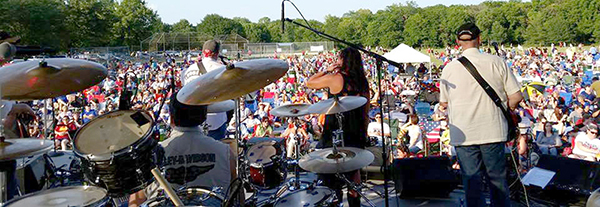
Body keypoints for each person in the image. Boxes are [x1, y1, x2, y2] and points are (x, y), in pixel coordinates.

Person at [439, 23, 522, 207]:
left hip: (464, 133)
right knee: (497, 181)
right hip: (493, 129)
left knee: (471, 182)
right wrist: (505, 108)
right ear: (480, 39)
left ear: (457, 42)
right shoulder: (497, 62)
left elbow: (443, 103)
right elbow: (516, 96)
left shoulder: (449, 68)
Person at [129, 93, 236, 207]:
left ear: (171, 118)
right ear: (204, 117)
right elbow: (238, 197)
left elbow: (135, 202)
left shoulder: (150, 156)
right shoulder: (225, 152)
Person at [306, 47, 370, 207]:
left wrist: (326, 70)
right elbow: (366, 111)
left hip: (336, 127)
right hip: (356, 129)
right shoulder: (363, 81)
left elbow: (309, 82)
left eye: (339, 58)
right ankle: (355, 203)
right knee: (354, 171)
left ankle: (335, 200)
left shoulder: (336, 78)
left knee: (330, 167)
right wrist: (364, 132)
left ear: (344, 60)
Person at [180, 40, 228, 140]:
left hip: (192, 120)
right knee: (216, 152)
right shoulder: (222, 69)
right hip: (216, 119)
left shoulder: (187, 70)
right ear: (217, 54)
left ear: (202, 52)